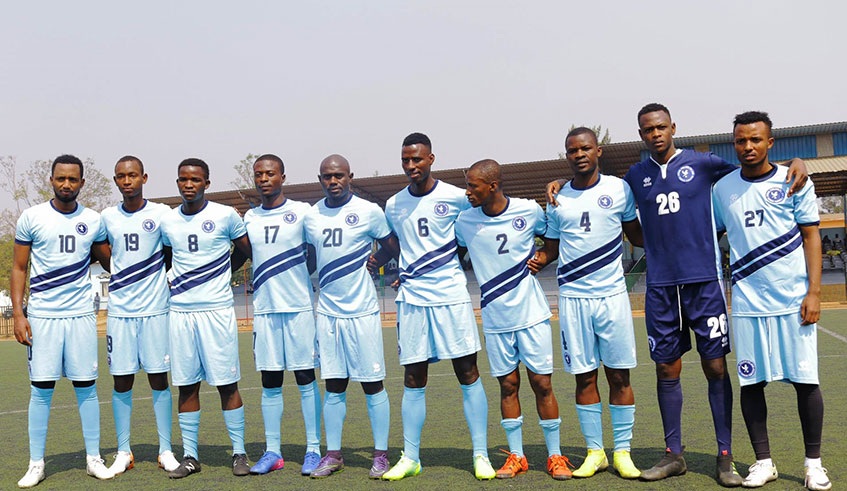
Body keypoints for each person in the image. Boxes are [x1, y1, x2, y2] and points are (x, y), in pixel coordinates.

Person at [545, 104, 808, 486]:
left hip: (704, 282)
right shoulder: (634, 176)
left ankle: (724, 457)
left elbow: (754, 166)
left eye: (661, 127)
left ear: (673, 128)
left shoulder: (704, 164)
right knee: (667, 368)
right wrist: (556, 182)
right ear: (641, 135)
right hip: (661, 287)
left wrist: (794, 161)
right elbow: (591, 187)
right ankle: (674, 455)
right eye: (648, 129)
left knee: (715, 367)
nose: (655, 134)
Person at [712, 111, 830, 491]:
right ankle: (764, 462)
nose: (748, 147)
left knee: (806, 383)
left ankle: (813, 464)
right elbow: (711, 237)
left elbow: (812, 236)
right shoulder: (723, 189)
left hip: (793, 301)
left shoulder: (794, 180)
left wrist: (814, 292)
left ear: (770, 142)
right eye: (741, 141)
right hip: (747, 303)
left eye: (755, 140)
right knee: (751, 384)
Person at [379, 133, 494, 481]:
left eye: (417, 159)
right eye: (405, 160)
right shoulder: (394, 204)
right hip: (413, 301)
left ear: (431, 159)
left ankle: (480, 455)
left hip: (451, 297)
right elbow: (395, 244)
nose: (411, 166)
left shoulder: (457, 197)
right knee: (413, 378)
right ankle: (411, 457)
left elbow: (483, 220)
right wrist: (394, 266)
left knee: (468, 372)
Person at [532, 128, 644, 479]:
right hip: (573, 300)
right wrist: (533, 261)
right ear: (566, 155)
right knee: (584, 378)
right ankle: (596, 452)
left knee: (619, 375)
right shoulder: (557, 197)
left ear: (598, 151)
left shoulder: (618, 188)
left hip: (611, 296)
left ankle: (623, 451)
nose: (579, 154)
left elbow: (637, 236)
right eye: (571, 150)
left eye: (585, 148)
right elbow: (550, 250)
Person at [456, 159, 571, 480]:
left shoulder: (528, 210)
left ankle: (555, 456)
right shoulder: (465, 221)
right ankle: (517, 456)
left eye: (472, 185)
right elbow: (453, 252)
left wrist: (544, 258)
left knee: (542, 384)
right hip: (494, 319)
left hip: (531, 314)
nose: (468, 192)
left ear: (492, 185)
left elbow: (553, 241)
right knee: (508, 386)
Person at [12, 154, 115, 487]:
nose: (66, 184)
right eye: (61, 179)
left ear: (82, 183)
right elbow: (19, 268)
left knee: (86, 387)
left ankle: (94, 459)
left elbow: (112, 262)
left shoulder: (94, 220)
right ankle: (36, 463)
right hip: (42, 317)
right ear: (51, 180)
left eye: (73, 179)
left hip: (81, 316)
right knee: (41, 390)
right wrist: (18, 312)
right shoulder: (32, 217)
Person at [303, 154, 397, 479]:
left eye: (339, 175)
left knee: (373, 384)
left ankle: (381, 455)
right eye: (327, 177)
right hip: (327, 314)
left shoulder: (369, 212)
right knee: (334, 386)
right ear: (320, 180)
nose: (333, 181)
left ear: (350, 176)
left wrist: (378, 261)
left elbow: (392, 245)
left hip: (362, 312)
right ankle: (333, 455)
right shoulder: (311, 216)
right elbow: (310, 259)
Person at [159, 158, 253, 478]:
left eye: (195, 180)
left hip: (216, 311)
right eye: (183, 179)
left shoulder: (225, 215)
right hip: (181, 313)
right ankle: (190, 456)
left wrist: (225, 271)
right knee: (187, 387)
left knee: (227, 384)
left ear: (206, 184)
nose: (189, 185)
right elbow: (168, 257)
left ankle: (239, 452)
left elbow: (245, 249)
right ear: (178, 183)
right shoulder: (169, 221)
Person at [242, 154, 323, 476]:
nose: (264, 179)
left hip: (299, 308)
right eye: (259, 174)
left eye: (270, 174)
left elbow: (316, 250)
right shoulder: (249, 217)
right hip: (265, 310)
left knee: (305, 378)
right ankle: (273, 451)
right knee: (270, 381)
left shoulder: (302, 213)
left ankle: (313, 449)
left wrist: (302, 277)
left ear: (282, 177)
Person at [100, 156, 179, 475]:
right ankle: (123, 451)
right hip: (120, 311)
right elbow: (101, 252)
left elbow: (171, 253)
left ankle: (165, 449)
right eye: (121, 176)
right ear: (116, 181)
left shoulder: (161, 214)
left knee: (159, 378)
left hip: (156, 310)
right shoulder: (107, 216)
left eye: (132, 175)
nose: (127, 181)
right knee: (122, 380)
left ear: (144, 177)